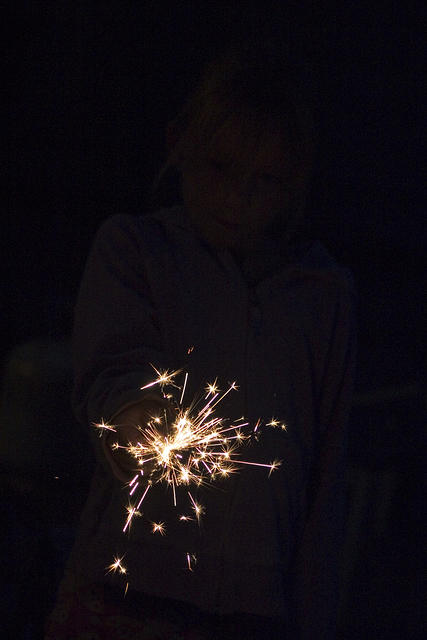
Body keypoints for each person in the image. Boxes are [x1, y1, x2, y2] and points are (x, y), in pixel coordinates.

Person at [45, 37, 356, 639]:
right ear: (178, 145)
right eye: (221, 166)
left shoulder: (323, 296)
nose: (239, 196)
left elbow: (327, 473)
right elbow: (110, 374)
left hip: (256, 616)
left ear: (294, 185)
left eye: (266, 179)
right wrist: (140, 415)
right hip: (128, 596)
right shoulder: (135, 253)